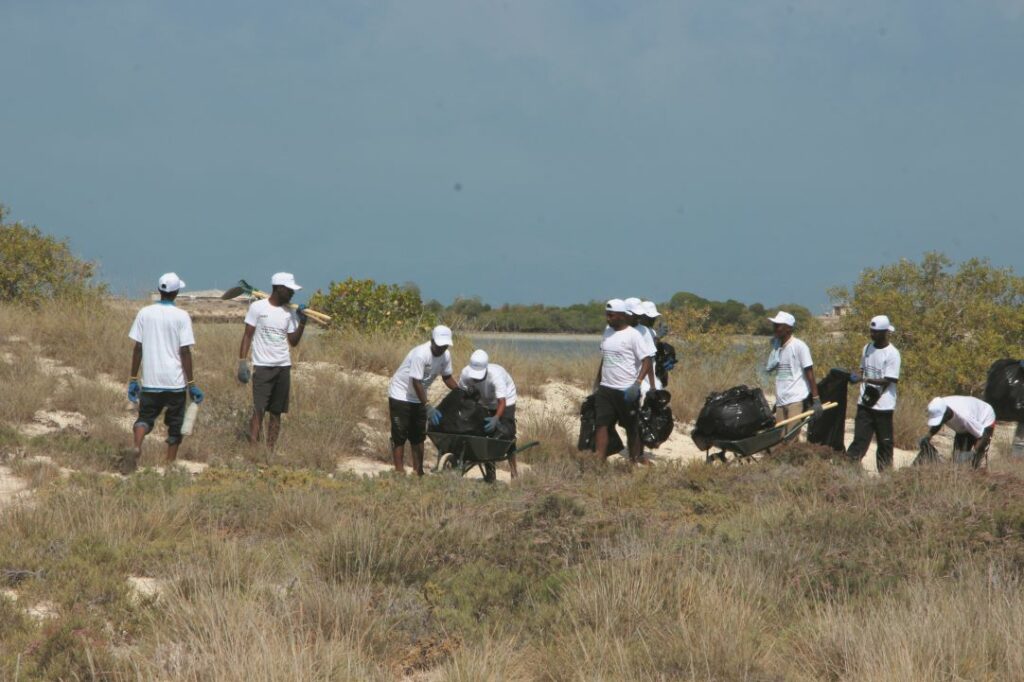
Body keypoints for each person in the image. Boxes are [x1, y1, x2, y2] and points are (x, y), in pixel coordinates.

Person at [124, 273, 204, 471]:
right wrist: (191, 383)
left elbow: (138, 348)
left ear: (160, 290)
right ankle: (169, 465)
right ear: (176, 292)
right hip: (175, 383)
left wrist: (133, 378)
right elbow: (185, 351)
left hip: (151, 380)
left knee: (144, 419)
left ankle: (136, 446)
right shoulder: (182, 316)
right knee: (175, 426)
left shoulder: (145, 313)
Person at [236, 272, 308, 450]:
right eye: (289, 290)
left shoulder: (290, 312)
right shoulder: (258, 308)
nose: (292, 293)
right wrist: (242, 362)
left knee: (276, 413)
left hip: (283, 367)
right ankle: (253, 450)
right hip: (262, 368)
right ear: (279, 288)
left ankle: (270, 452)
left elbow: (293, 342)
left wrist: (303, 323)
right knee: (259, 409)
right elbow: (247, 335)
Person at [388, 325, 459, 475]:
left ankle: (418, 472)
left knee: (418, 435)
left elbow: (447, 377)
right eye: (440, 345)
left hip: (419, 397)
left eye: (445, 345)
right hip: (401, 394)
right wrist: (427, 405)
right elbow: (416, 382)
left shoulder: (446, 356)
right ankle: (399, 472)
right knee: (400, 433)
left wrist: (460, 391)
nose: (442, 348)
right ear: (432, 340)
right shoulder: (421, 353)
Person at [594, 299, 653, 464]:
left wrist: (638, 383)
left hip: (626, 390)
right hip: (606, 389)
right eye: (607, 315)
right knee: (602, 424)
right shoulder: (607, 332)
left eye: (611, 315)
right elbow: (604, 359)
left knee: (631, 427)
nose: (608, 318)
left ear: (622, 315)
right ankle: (599, 461)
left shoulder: (633, 335)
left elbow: (647, 361)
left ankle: (635, 459)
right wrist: (597, 383)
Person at [845, 315, 901, 471]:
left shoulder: (892, 354)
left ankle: (885, 474)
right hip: (864, 404)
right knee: (859, 440)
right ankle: (849, 470)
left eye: (876, 332)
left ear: (885, 332)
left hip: (883, 407)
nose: (872, 334)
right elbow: (862, 368)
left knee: (885, 443)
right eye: (871, 331)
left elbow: (889, 380)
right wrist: (855, 376)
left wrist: (863, 379)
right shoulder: (867, 348)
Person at [459, 349, 520, 478]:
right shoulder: (465, 374)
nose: (475, 378)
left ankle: (514, 472)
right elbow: (462, 394)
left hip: (506, 399)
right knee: (484, 434)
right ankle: (490, 475)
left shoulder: (496, 375)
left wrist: (496, 418)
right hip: (483, 399)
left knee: (507, 434)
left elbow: (502, 402)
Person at [765, 311, 822, 431]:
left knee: (791, 437)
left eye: (778, 326)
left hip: (796, 400)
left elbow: (810, 373)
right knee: (779, 439)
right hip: (781, 400)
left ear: (788, 329)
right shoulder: (777, 347)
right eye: (774, 325)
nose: (774, 328)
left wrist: (816, 400)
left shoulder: (799, 346)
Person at [922, 396, 996, 468]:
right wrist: (928, 436)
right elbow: (938, 423)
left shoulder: (964, 417)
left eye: (941, 419)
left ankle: (977, 471)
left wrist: (973, 454)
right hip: (967, 419)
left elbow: (982, 436)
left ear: (947, 413)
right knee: (957, 461)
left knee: (976, 461)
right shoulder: (938, 405)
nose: (940, 421)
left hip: (985, 418)